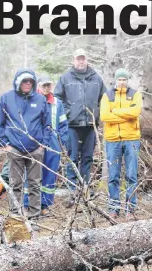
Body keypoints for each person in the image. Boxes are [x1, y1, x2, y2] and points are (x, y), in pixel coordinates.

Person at [0, 68, 51, 219]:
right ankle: (16, 216)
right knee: (15, 184)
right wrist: (5, 143)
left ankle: (34, 216)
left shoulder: (40, 99)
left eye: (30, 81)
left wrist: (42, 144)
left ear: (33, 83)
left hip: (35, 150)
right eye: (24, 81)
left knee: (35, 184)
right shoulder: (6, 98)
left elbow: (47, 125)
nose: (27, 83)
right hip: (15, 149)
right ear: (18, 82)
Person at [54, 48, 107, 208]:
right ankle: (72, 192)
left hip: (90, 125)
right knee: (72, 158)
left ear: (87, 60)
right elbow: (57, 97)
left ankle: (85, 191)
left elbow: (103, 98)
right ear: (73, 60)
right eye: (78, 59)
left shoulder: (96, 78)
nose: (81, 61)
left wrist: (96, 114)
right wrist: (68, 111)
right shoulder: (65, 78)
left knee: (87, 159)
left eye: (83, 59)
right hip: (72, 125)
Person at [100, 68, 142, 219]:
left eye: (124, 79)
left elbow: (135, 113)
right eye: (120, 79)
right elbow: (104, 116)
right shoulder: (107, 95)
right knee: (113, 176)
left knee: (131, 175)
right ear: (115, 80)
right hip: (113, 140)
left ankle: (130, 209)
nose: (122, 82)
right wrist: (125, 114)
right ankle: (114, 208)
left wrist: (115, 111)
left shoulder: (135, 94)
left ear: (127, 80)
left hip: (131, 139)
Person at [23, 76, 69, 216]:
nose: (46, 88)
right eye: (44, 85)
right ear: (38, 86)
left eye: (48, 85)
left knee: (50, 176)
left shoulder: (57, 103)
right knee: (32, 175)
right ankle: (28, 204)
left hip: (53, 145)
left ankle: (45, 205)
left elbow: (63, 125)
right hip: (35, 144)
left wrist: (61, 142)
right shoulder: (30, 100)